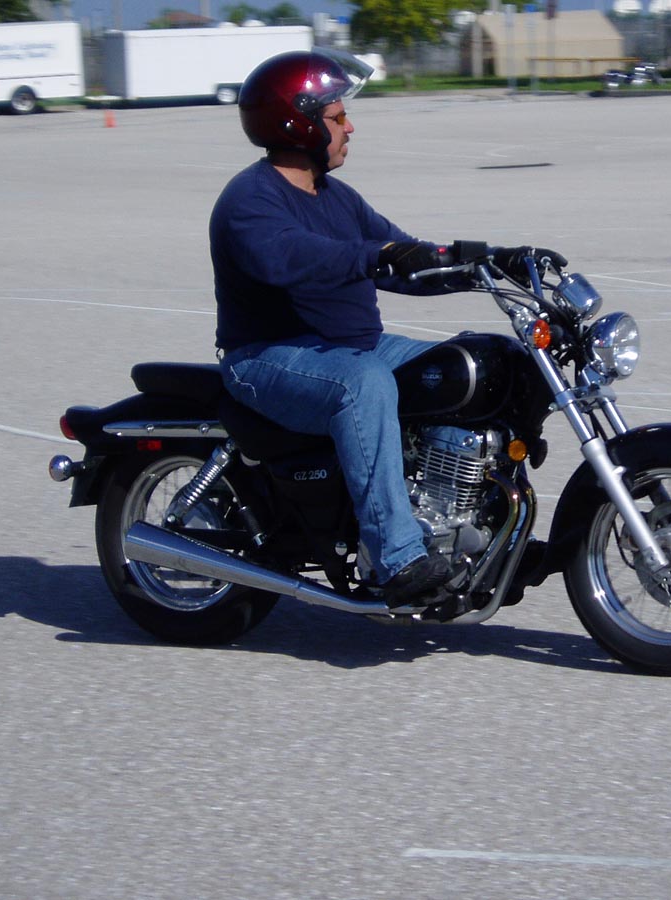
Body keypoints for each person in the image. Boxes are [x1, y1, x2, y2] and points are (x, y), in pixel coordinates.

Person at [209, 49, 563, 606]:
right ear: (298, 124)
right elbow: (294, 257)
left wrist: (493, 262)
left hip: (355, 347)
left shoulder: (337, 198)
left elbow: (405, 257)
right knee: (364, 385)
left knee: (482, 364)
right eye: (337, 116)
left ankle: (487, 532)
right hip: (267, 357)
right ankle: (396, 559)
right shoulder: (249, 200)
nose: (349, 126)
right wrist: (378, 256)